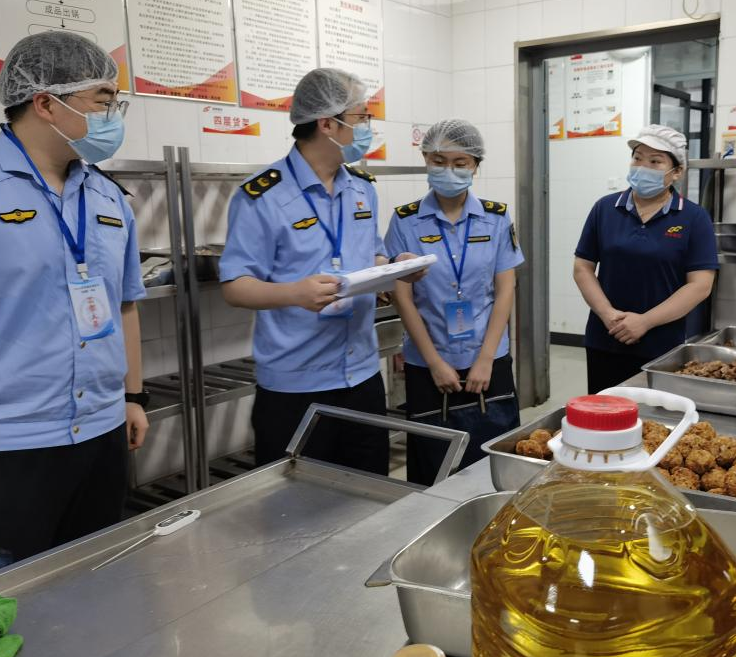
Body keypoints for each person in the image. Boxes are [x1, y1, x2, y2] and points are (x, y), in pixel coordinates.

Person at [0, 31, 148, 561]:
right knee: (10, 595)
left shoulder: (108, 196)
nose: (112, 116)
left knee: (95, 581)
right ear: (45, 103)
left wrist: (132, 397)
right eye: (103, 101)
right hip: (1, 444)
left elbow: (125, 303)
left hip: (102, 433)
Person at [220, 68, 423, 473]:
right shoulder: (262, 194)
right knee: (295, 503)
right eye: (361, 117)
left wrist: (394, 267)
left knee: (369, 494)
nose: (367, 129)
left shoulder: (361, 188)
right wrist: (294, 293)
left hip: (361, 375)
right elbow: (235, 285)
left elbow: (370, 256)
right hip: (295, 385)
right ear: (328, 124)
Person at [386, 119, 524, 485]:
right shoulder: (405, 221)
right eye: (439, 161)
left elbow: (505, 290)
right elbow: (402, 296)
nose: (449, 170)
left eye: (460, 163)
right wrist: (434, 363)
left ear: (475, 165)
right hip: (428, 362)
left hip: (488, 358)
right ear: (426, 160)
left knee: (493, 459)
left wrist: (485, 359)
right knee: (432, 464)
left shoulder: (496, 217)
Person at [573, 124, 718, 394]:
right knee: (606, 411)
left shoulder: (694, 217)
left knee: (656, 415)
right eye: (637, 158)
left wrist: (645, 321)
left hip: (662, 345)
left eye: (655, 161)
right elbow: (583, 268)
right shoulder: (605, 208)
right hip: (606, 337)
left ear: (677, 172)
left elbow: (700, 285)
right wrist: (608, 315)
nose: (643, 167)